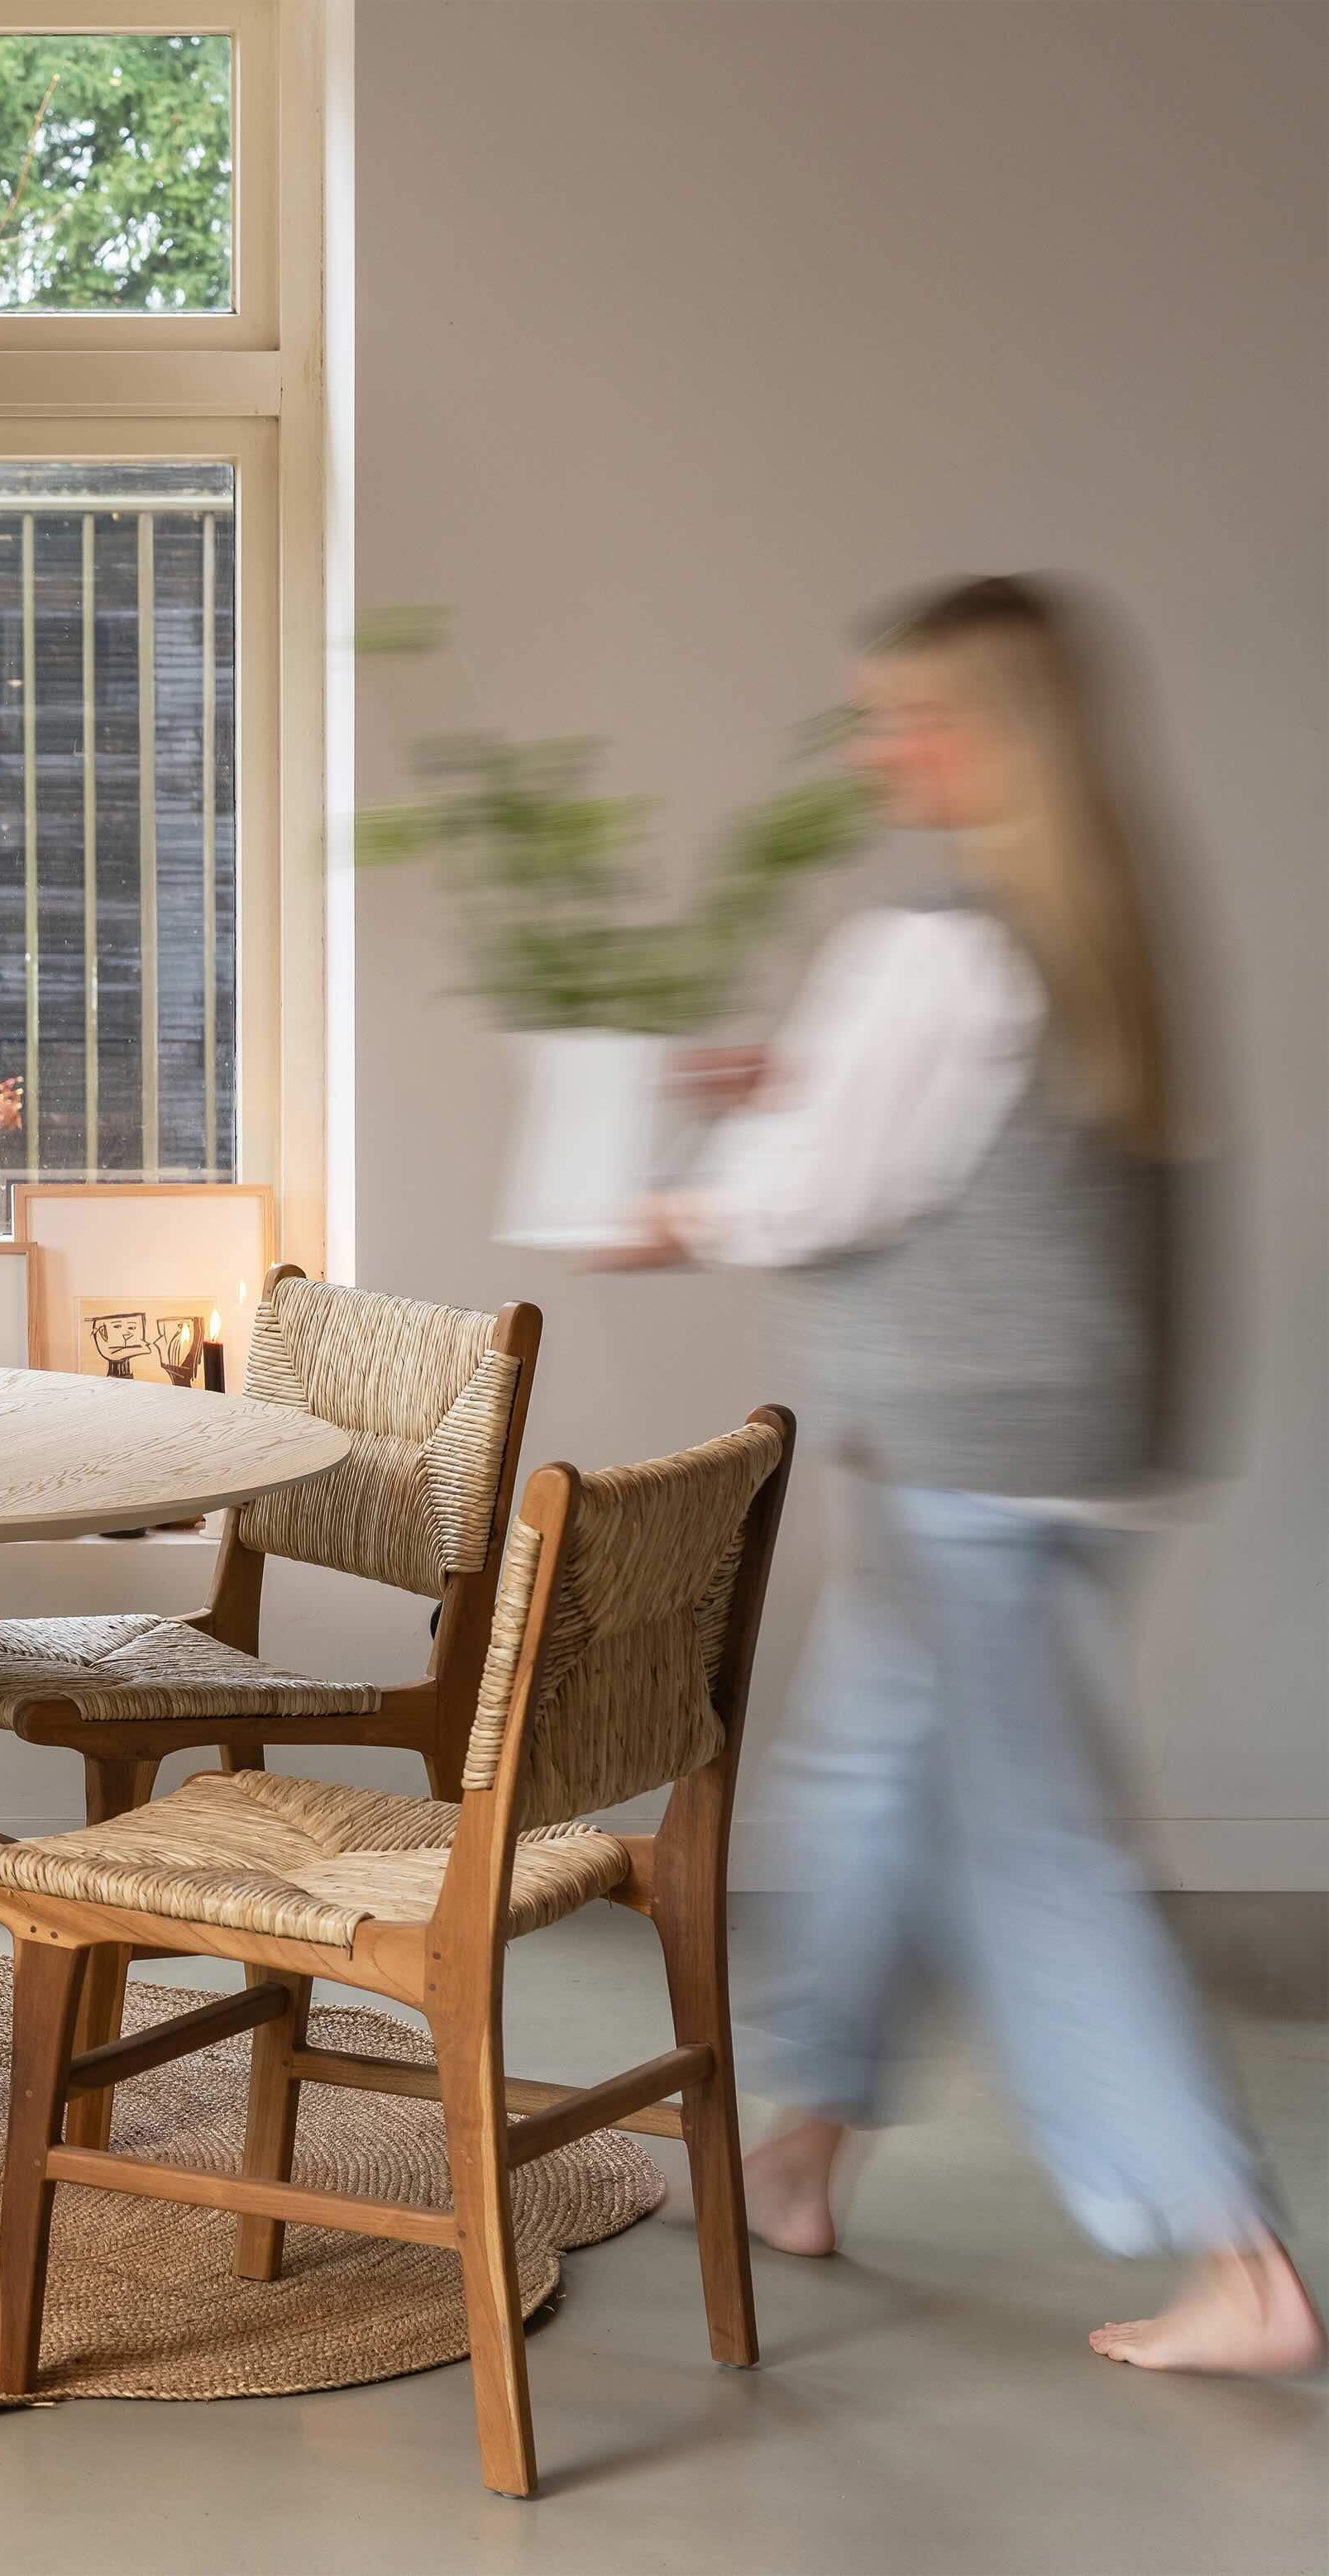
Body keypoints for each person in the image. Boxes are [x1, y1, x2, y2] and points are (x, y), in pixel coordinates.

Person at [615, 575, 1316, 2376]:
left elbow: (830, 1188)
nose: (880, 749)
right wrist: (809, 1077)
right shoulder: (1089, 932)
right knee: (870, 1793)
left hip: (971, 1466)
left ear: (990, 733)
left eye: (909, 715)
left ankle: (1237, 2253)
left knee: (1031, 1849)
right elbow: (955, 1137)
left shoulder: (932, 939)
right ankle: (805, 2145)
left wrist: (686, 1203)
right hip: (1076, 1457)